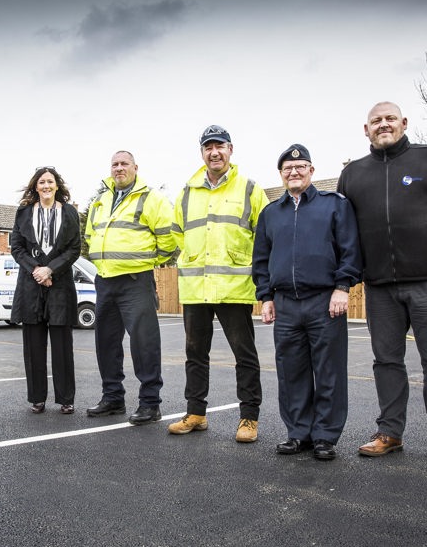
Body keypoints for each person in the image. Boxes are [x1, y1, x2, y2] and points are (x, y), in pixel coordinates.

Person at [337, 101, 427, 468]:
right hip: (380, 287)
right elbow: (345, 229)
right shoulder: (353, 175)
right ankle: (390, 433)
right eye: (375, 121)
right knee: (386, 362)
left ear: (404, 123)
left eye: (389, 119)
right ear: (365, 129)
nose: (383, 125)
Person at [252, 144, 362, 460]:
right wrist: (266, 297)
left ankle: (325, 437)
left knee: (329, 371)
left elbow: (350, 250)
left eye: (301, 167)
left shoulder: (334, 206)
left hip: (324, 301)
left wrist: (343, 287)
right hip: (285, 304)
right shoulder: (270, 213)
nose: (294, 172)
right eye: (288, 168)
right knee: (291, 371)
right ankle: (299, 434)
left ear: (311, 171)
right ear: (281, 174)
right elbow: (261, 260)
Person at [168, 125, 268, 442]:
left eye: (220, 146)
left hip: (234, 289)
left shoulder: (250, 189)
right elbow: (177, 234)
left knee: (245, 355)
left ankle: (249, 418)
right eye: (209, 147)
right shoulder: (186, 193)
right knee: (195, 354)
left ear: (231, 150)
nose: (215, 152)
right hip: (197, 289)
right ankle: (196, 413)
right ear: (202, 153)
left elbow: (265, 236)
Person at [84, 150, 176, 425]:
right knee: (106, 343)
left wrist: (144, 263)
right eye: (115, 164)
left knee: (144, 343)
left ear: (136, 167)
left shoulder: (152, 199)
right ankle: (113, 397)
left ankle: (150, 404)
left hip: (136, 281)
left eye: (124, 164)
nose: (119, 168)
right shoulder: (101, 201)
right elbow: (90, 236)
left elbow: (168, 242)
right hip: (105, 280)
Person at [10, 166, 81, 415]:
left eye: (50, 181)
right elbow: (17, 248)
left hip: (60, 285)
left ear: (57, 186)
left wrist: (50, 270)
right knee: (33, 346)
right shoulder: (23, 213)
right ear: (35, 186)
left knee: (62, 346)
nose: (46, 186)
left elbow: (74, 249)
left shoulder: (70, 212)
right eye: (42, 182)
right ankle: (37, 398)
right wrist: (37, 271)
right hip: (31, 286)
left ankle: (66, 399)